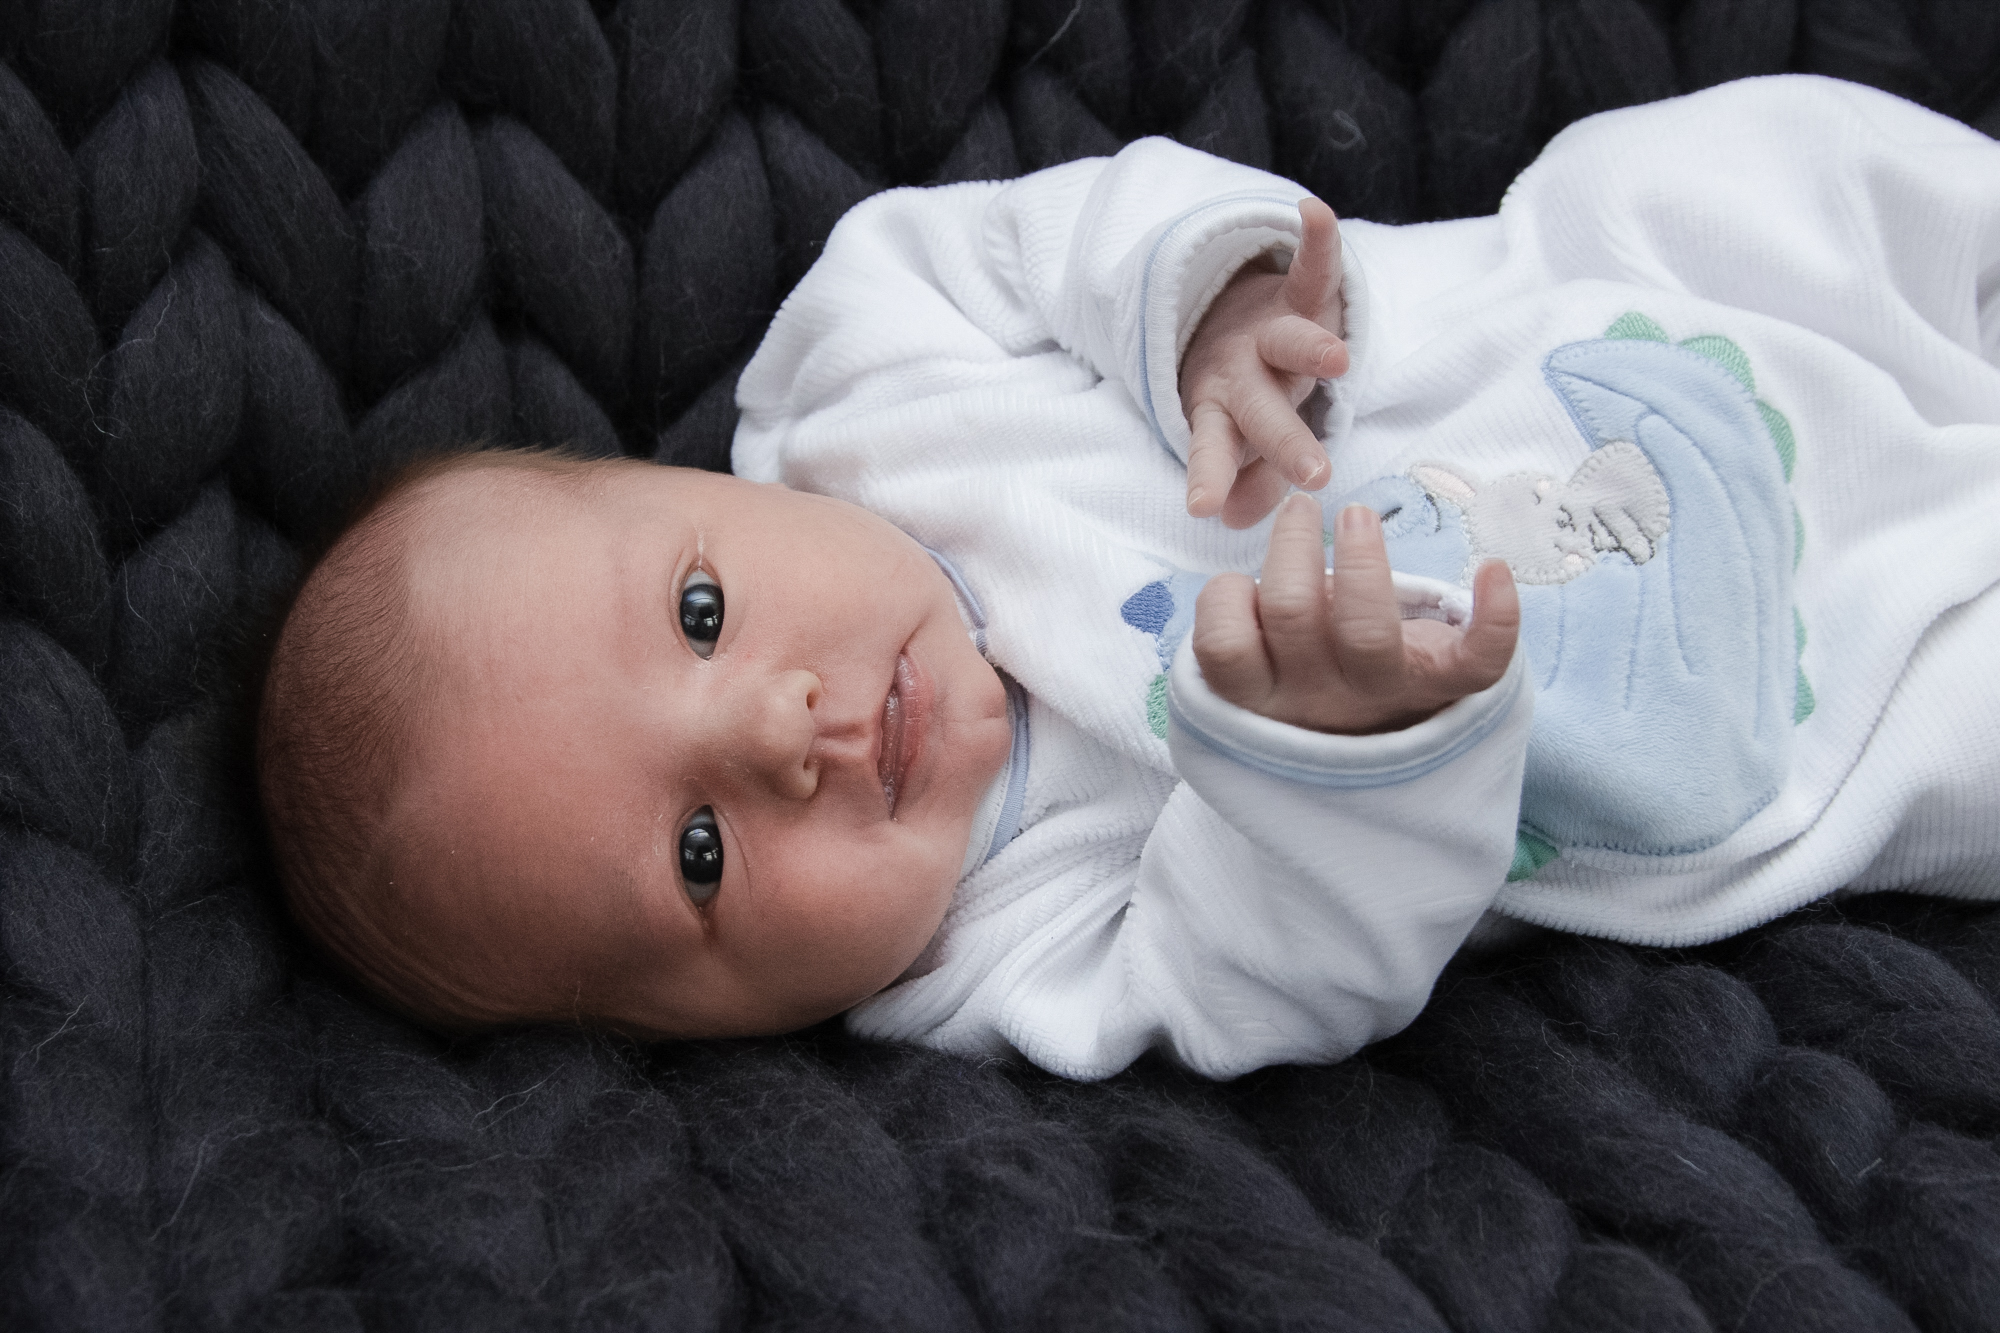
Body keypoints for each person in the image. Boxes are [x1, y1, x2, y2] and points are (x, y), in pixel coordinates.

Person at [258, 75, 2000, 1080]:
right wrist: (1327, 760)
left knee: (1722, 170)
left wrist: (1204, 304)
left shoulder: (861, 377)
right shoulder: (1000, 963)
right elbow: (1279, 971)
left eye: (700, 615)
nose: (781, 730)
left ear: (692, 486)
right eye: (699, 853)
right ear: (695, 1028)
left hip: (1599, 306)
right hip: (1812, 720)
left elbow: (1052, 233)